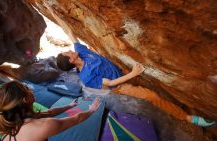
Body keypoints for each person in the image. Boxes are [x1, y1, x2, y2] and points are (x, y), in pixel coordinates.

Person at [56, 29, 216, 127]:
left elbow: (71, 34)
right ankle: (187, 118)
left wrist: (57, 12)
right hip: (120, 85)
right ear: (71, 60)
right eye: (67, 53)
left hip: (121, 69)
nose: (70, 50)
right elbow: (110, 83)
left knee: (150, 86)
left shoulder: (80, 51)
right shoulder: (86, 76)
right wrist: (132, 74)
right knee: (151, 96)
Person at [0, 81, 100, 141]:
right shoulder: (43, 126)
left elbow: (49, 112)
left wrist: (69, 106)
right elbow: (76, 119)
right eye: (27, 89)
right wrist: (91, 110)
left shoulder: (9, 126)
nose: (31, 90)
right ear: (25, 99)